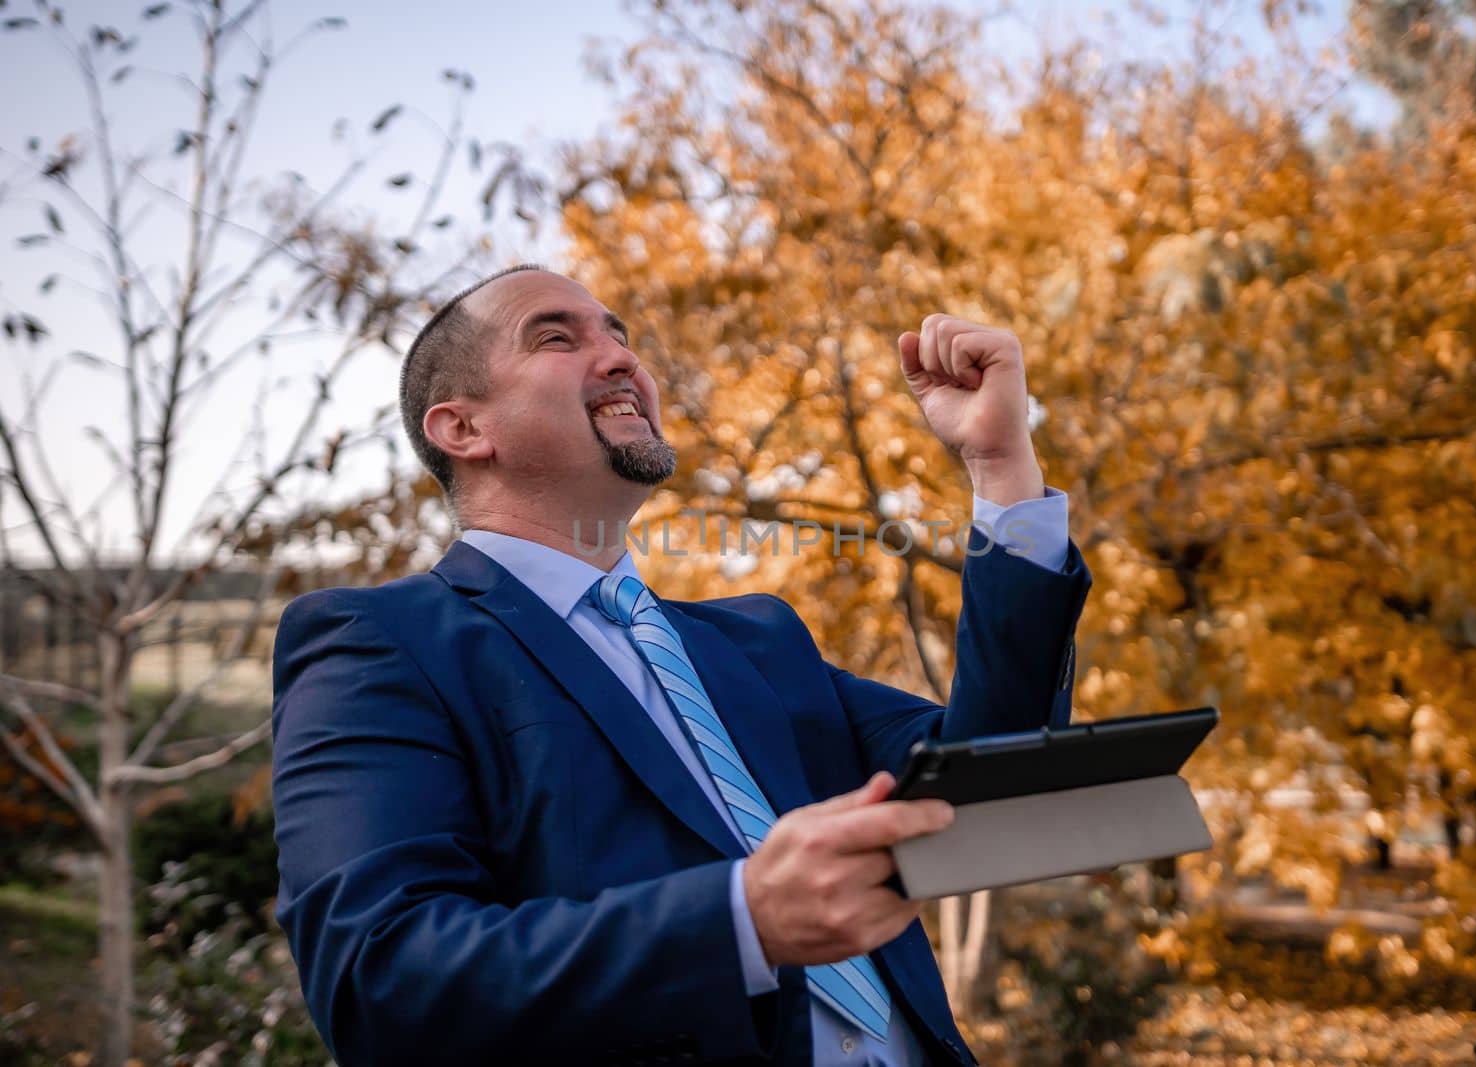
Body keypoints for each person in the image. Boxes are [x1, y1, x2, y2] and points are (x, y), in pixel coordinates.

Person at [271, 265, 1092, 1066]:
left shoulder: (761, 639)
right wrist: (741, 921)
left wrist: (1002, 469)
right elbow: (381, 984)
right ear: (463, 429)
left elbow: (1000, 779)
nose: (623, 356)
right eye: (557, 337)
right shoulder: (377, 642)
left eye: (620, 337)